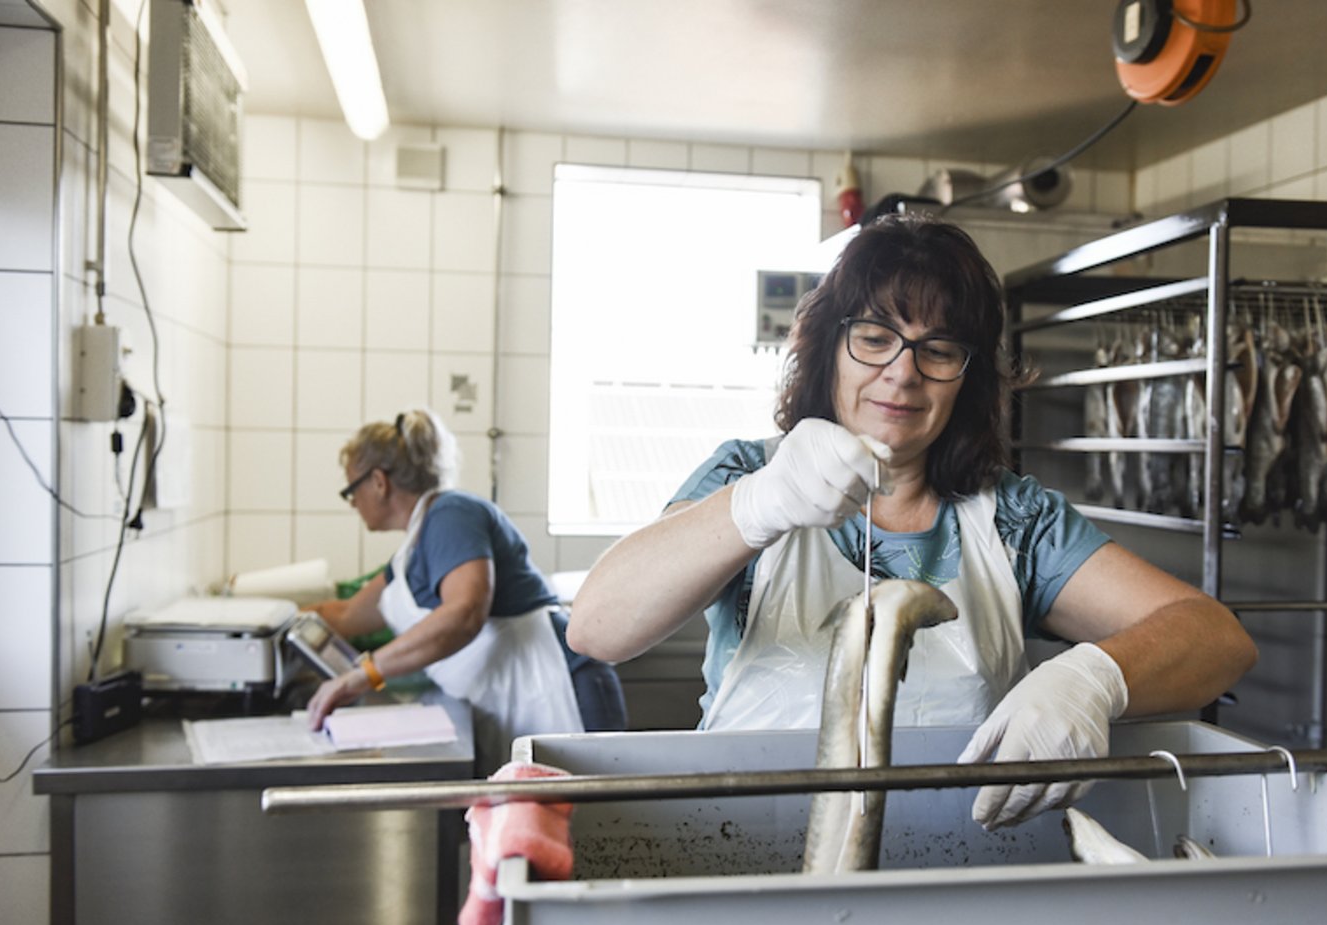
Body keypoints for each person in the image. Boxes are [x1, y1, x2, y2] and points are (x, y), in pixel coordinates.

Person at [568, 215, 1257, 831]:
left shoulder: (1016, 522)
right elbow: (597, 628)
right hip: (742, 848)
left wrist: (1094, 679)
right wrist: (757, 505)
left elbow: (1218, 638)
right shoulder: (747, 477)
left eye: (939, 349)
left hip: (955, 864)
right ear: (828, 348)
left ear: (970, 377)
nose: (902, 373)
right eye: (875, 337)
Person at [303, 409, 625, 775]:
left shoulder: (452, 514)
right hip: (513, 693)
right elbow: (347, 614)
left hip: (557, 685)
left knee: (588, 806)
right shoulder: (410, 552)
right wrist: (274, 620)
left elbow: (464, 613)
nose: (352, 503)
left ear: (378, 482)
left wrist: (365, 673)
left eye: (351, 491)